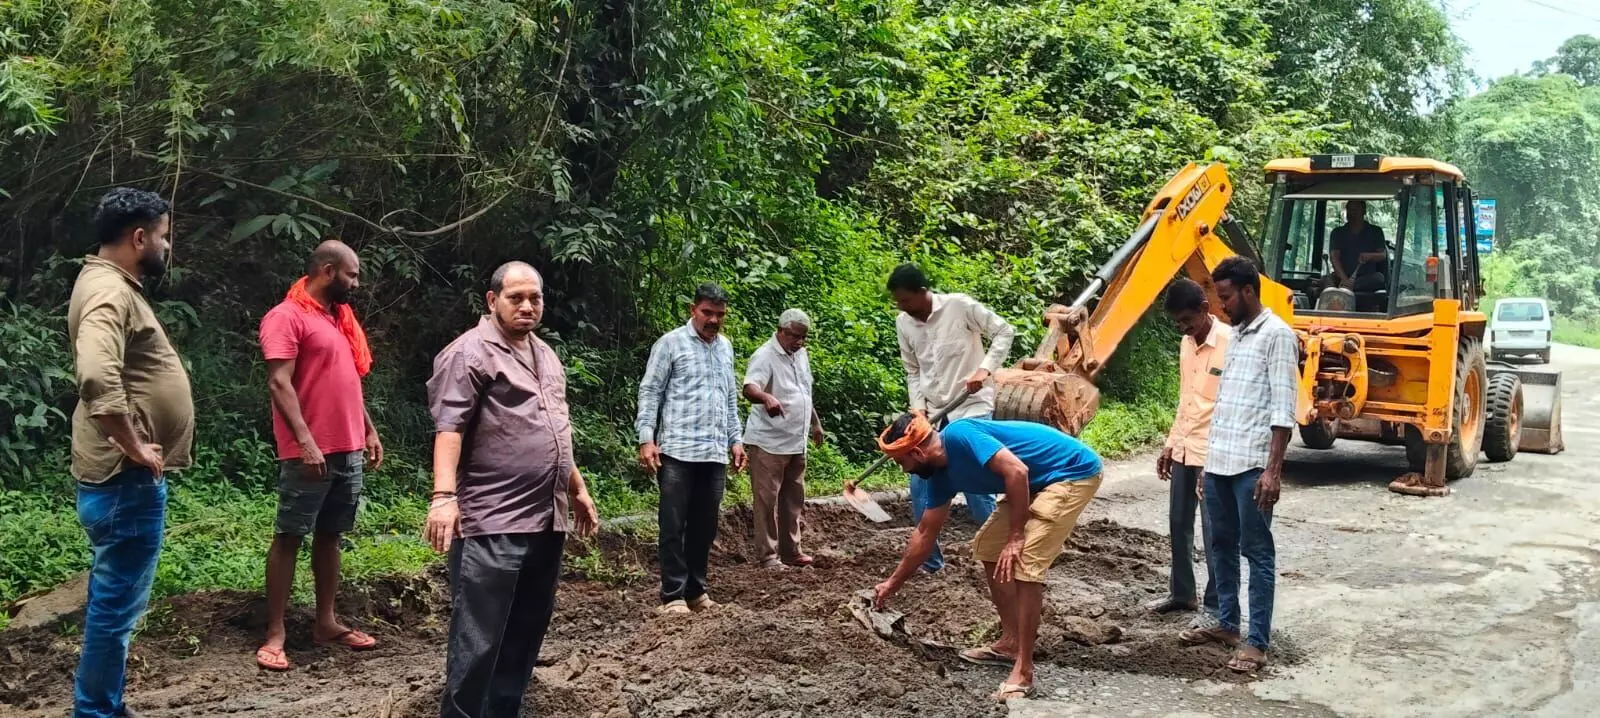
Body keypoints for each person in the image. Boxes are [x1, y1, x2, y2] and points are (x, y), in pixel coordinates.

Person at [424, 261, 599, 718]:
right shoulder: (469, 354)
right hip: (493, 520)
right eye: (515, 297)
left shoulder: (546, 355)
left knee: (525, 633)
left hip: (546, 518)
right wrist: (443, 498)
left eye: (534, 298)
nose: (526, 306)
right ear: (492, 300)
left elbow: (556, 428)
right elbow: (450, 429)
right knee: (479, 640)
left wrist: (577, 488)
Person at [67, 187, 194, 718]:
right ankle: (95, 711)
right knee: (115, 607)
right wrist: (134, 444)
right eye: (163, 236)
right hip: (125, 480)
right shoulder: (108, 291)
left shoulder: (108, 284)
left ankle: (106, 705)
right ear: (139, 238)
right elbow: (97, 374)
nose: (166, 246)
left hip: (121, 480)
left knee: (116, 603)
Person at [871, 413, 1102, 702]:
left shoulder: (960, 435)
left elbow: (1016, 471)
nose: (905, 470)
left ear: (917, 453)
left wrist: (1016, 537)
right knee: (990, 547)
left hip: (1071, 471)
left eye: (901, 462)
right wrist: (892, 583)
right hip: (1035, 480)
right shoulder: (939, 477)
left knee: (1026, 561)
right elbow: (925, 533)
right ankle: (1011, 643)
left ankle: (1024, 672)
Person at [255, 240, 384, 671]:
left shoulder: (338, 319)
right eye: (352, 274)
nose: (356, 284)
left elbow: (348, 381)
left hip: (348, 448)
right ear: (328, 271)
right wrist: (306, 441)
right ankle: (276, 633)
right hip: (309, 452)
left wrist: (368, 429)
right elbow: (279, 383)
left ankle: (325, 622)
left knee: (331, 535)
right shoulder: (285, 317)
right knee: (290, 535)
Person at [1176, 257, 1296, 675]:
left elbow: (1283, 410)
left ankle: (1257, 642)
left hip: (1252, 467)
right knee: (1221, 546)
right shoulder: (1238, 336)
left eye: (1226, 297)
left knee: (1256, 551)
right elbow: (1224, 406)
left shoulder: (1277, 335)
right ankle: (1227, 624)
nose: (1221, 305)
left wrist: (1273, 470)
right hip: (1221, 463)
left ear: (1248, 291)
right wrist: (1207, 466)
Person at [887, 263, 1016, 573]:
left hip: (970, 406)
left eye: (906, 300)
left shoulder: (959, 306)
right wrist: (918, 408)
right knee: (920, 484)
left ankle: (1001, 554)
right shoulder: (904, 324)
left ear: (923, 291)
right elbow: (913, 370)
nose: (902, 307)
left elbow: (1004, 331)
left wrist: (984, 370)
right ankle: (930, 564)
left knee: (975, 486)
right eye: (898, 301)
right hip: (932, 413)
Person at [636, 282, 747, 615]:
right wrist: (646, 438)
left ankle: (696, 591)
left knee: (705, 526)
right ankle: (673, 594)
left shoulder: (725, 347)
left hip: (713, 452)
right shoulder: (670, 344)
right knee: (673, 525)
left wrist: (736, 439)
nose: (713, 320)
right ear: (693, 310)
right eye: (707, 312)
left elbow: (729, 397)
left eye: (720, 314)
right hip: (677, 451)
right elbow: (650, 391)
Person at [1148, 278, 1229, 622]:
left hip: (1214, 454)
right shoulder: (1186, 344)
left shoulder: (1230, 342)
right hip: (1185, 448)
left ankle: (1216, 606)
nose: (1183, 328)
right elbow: (1186, 399)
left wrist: (1215, 460)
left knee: (1214, 531)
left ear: (1205, 309)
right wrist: (1171, 444)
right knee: (1178, 521)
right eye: (1178, 322)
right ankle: (1182, 594)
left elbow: (1229, 407)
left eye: (1187, 320)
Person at [741, 308, 826, 570]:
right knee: (766, 500)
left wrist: (815, 423)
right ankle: (768, 555)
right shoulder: (765, 355)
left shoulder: (801, 355)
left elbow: (804, 391)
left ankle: (791, 551)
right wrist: (766, 397)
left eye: (803, 337)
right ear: (780, 331)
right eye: (794, 336)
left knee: (793, 498)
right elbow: (750, 387)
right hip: (769, 442)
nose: (799, 342)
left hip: (796, 440)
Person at [1329, 200, 1388, 293]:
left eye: (1355, 210)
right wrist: (1344, 279)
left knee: (1379, 278)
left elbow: (1382, 255)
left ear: (1364, 211)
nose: (1351, 213)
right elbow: (1334, 258)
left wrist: (1369, 256)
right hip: (1341, 277)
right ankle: (1345, 287)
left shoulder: (1376, 231)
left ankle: (1346, 288)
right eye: (1349, 210)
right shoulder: (1337, 233)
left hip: (1366, 277)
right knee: (1327, 279)